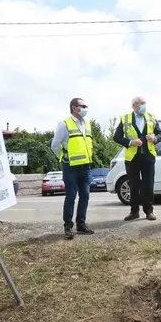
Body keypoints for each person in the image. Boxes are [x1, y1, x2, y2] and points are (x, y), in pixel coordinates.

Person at [112, 96, 161, 221]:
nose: (144, 106)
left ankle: (149, 212)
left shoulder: (151, 117)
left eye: (145, 103)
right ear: (134, 106)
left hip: (148, 156)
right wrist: (130, 142)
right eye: (141, 103)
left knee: (148, 185)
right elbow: (116, 137)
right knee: (134, 186)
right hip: (132, 158)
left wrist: (155, 138)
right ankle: (134, 211)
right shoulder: (125, 119)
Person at [51, 97, 95, 239]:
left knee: (85, 196)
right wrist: (64, 157)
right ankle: (68, 226)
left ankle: (81, 224)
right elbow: (55, 145)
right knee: (71, 196)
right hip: (70, 167)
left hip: (85, 166)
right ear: (74, 107)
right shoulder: (64, 124)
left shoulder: (86, 124)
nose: (85, 108)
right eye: (83, 106)